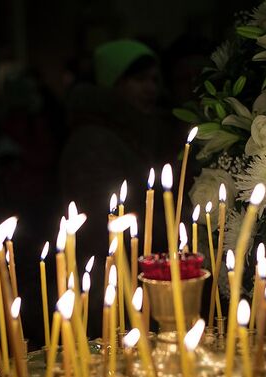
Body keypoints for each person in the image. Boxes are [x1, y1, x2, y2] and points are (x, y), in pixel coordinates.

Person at [57, 39, 178, 336]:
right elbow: (100, 222)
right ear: (114, 82)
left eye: (154, 80)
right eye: (139, 80)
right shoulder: (93, 141)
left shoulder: (140, 132)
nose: (151, 89)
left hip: (139, 272)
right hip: (108, 283)